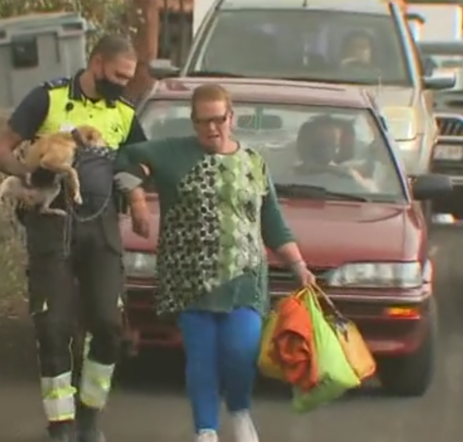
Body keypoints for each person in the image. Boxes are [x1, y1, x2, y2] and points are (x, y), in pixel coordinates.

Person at [114, 84, 316, 442]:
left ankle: (239, 412)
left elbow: (272, 222)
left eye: (218, 119)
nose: (212, 128)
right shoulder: (172, 153)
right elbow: (123, 159)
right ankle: (206, 429)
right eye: (203, 121)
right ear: (193, 122)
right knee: (202, 357)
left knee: (241, 352)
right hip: (191, 280)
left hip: (244, 279)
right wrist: (137, 197)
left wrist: (299, 265)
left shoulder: (253, 162)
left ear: (231, 118)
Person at [0, 34, 147, 442]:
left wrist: (137, 198)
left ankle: (90, 416)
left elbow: (139, 161)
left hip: (102, 226)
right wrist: (27, 174)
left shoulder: (124, 112)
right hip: (52, 224)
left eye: (128, 78)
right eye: (117, 75)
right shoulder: (49, 98)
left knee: (108, 325)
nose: (123, 84)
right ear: (97, 63)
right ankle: (60, 425)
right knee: (53, 326)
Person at [295, 116, 378, 192]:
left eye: (333, 144)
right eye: (322, 143)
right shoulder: (347, 181)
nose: (327, 149)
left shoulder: (288, 179)